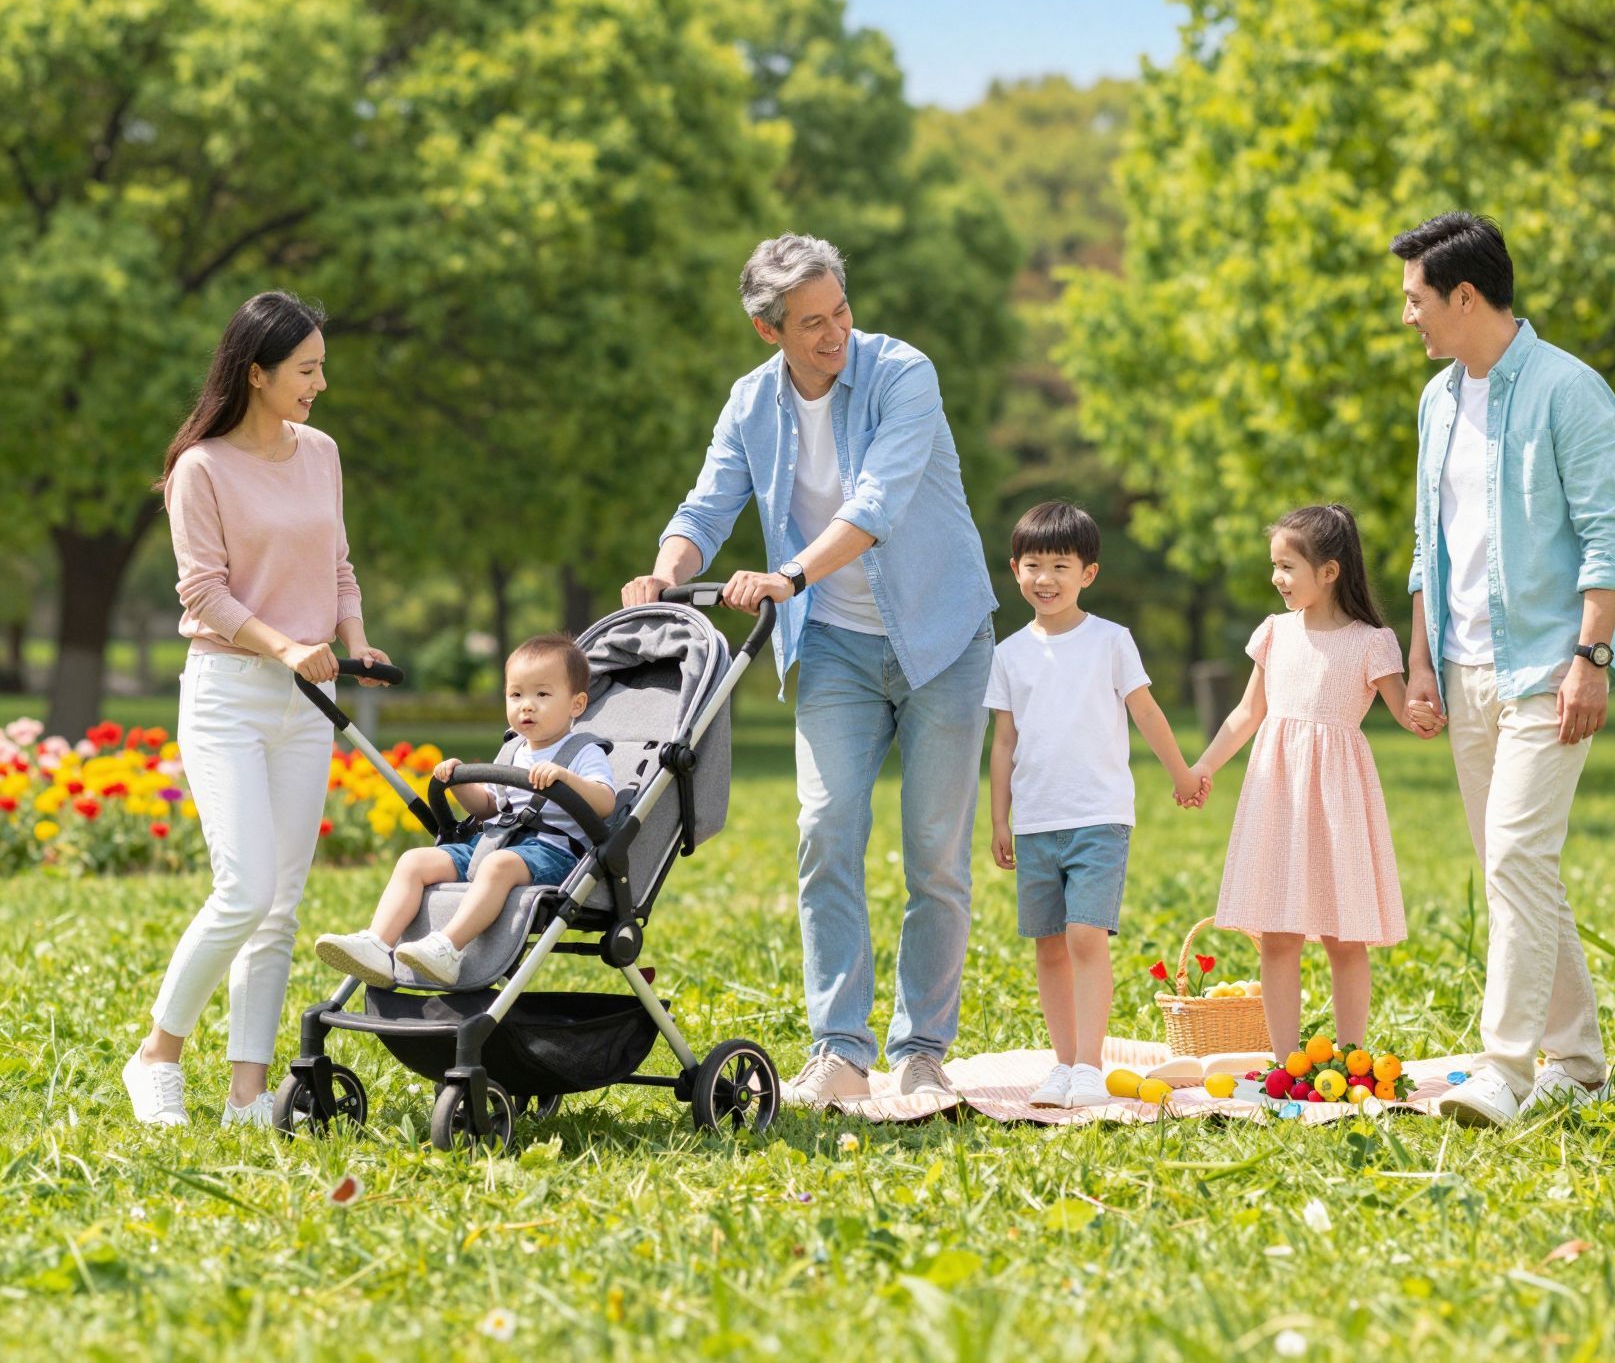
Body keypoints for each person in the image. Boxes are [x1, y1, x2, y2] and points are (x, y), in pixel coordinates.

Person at [620, 233, 994, 1107]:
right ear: (769, 330)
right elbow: (706, 505)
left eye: (841, 312)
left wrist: (787, 575)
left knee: (935, 856)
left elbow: (877, 505)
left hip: (941, 638)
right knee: (825, 832)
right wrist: (665, 573)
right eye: (812, 323)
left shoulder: (904, 374)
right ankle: (840, 1051)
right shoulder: (751, 404)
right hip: (831, 643)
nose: (835, 335)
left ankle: (924, 1049)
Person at [1391, 212, 1615, 1128]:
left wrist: (1592, 656)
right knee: (1518, 865)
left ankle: (1504, 1068)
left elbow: (1613, 534)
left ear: (1464, 296)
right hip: (1463, 672)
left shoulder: (1570, 391)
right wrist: (1419, 664)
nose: (1408, 319)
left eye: (1415, 301)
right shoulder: (1436, 401)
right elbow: (1430, 545)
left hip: (1549, 665)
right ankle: (1579, 1062)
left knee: (1516, 859)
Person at [126, 291, 393, 1128]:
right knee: (242, 890)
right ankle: (156, 1057)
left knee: (279, 906)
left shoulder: (321, 452)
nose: (320, 384)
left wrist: (356, 640)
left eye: (321, 367)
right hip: (230, 697)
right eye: (307, 370)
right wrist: (283, 647)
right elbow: (203, 592)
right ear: (257, 373)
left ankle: (248, 1092)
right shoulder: (200, 469)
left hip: (307, 701)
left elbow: (339, 565)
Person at [985, 502, 1206, 1109]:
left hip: (1099, 816)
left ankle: (1089, 1062)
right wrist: (999, 818)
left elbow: (1147, 712)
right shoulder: (1008, 654)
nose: (1046, 578)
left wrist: (1182, 774)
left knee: (1085, 934)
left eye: (1061, 564)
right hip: (1034, 823)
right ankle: (1061, 1064)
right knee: (1049, 943)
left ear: (1089, 573)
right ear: (1015, 569)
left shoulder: (1111, 641)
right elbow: (1004, 741)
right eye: (1033, 565)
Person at [1189, 505, 1424, 1057]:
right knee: (1278, 933)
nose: (1277, 578)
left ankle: (1350, 1056)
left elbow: (1405, 712)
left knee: (1345, 935)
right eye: (1275, 565)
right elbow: (1246, 714)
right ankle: (1285, 1062)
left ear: (1329, 571)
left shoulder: (1372, 641)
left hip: (1340, 796)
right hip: (1278, 793)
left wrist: (1430, 714)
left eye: (1288, 566)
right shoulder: (1274, 633)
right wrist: (1202, 767)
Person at [313, 634, 616, 987]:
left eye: (542, 695)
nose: (526, 706)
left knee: (498, 864)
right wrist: (461, 784)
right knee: (415, 861)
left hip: (554, 852)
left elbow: (604, 801)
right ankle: (378, 944)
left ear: (576, 704)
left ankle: (448, 949)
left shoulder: (583, 751)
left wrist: (565, 779)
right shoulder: (513, 751)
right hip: (496, 842)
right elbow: (488, 808)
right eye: (516, 695)